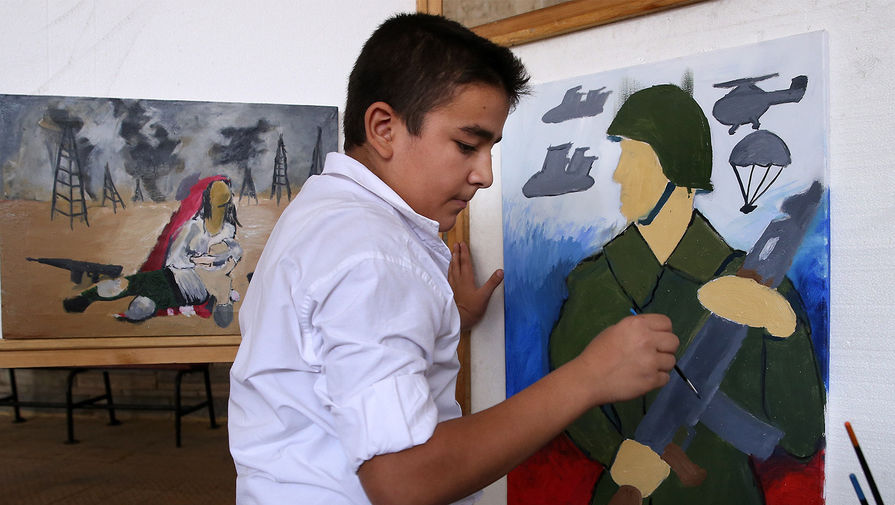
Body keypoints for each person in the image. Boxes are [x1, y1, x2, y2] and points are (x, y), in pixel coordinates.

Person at [227, 13, 680, 505]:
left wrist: (447, 316)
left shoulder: (325, 213)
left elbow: (329, 356)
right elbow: (404, 479)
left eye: (490, 149)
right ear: (383, 128)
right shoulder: (373, 254)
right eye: (467, 145)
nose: (485, 175)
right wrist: (589, 377)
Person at [547, 85, 825, 504]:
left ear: (680, 169)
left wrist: (782, 330)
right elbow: (562, 394)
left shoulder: (759, 290)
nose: (619, 174)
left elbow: (802, 438)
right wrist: (616, 453)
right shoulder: (594, 286)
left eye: (635, 158)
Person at [63, 176, 243, 327]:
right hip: (177, 277)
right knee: (140, 297)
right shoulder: (194, 227)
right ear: (208, 201)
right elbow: (175, 259)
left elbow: (234, 254)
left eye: (224, 204)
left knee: (134, 288)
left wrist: (217, 261)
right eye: (218, 203)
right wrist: (198, 261)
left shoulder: (228, 230)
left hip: (194, 289)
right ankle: (87, 299)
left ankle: (87, 298)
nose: (221, 209)